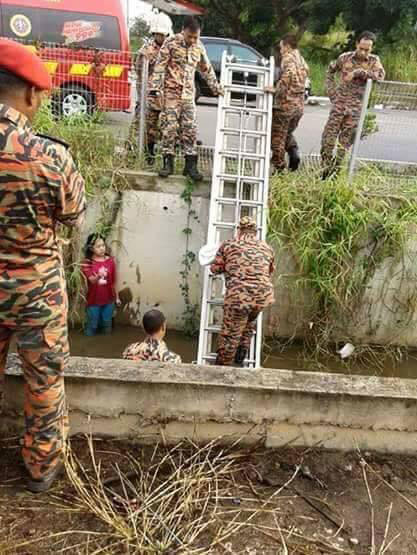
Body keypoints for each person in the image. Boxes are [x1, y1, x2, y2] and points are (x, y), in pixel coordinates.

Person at [0, 39, 86, 492]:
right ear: (31, 93)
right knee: (44, 382)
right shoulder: (51, 157)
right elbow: (73, 214)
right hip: (38, 293)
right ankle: (41, 469)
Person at [150, 16, 223, 181]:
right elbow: (160, 66)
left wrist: (216, 88)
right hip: (171, 95)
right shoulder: (170, 43)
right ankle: (167, 163)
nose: (192, 40)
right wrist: (156, 90)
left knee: (190, 130)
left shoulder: (198, 47)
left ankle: (190, 166)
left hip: (188, 96)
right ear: (183, 31)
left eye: (196, 37)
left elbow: (206, 69)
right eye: (190, 36)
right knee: (169, 129)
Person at [210, 217, 275, 367]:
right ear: (255, 232)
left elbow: (215, 268)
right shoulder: (267, 248)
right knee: (248, 325)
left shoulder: (229, 244)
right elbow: (269, 271)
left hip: (239, 297)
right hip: (262, 297)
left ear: (239, 230)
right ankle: (240, 359)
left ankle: (221, 370)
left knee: (230, 335)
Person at [320, 31, 385, 178]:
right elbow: (330, 71)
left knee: (343, 146)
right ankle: (325, 171)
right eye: (361, 48)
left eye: (367, 49)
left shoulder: (374, 61)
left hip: (355, 110)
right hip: (339, 106)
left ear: (372, 48)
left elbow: (380, 76)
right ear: (356, 44)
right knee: (327, 140)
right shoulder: (345, 58)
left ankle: (335, 175)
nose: (363, 52)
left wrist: (358, 72)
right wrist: (331, 92)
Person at [128, 12, 173, 163]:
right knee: (144, 125)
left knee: (167, 127)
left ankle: (164, 155)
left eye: (163, 34)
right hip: (149, 95)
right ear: (154, 34)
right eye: (158, 34)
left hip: (167, 95)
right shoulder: (146, 50)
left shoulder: (171, 48)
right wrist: (144, 93)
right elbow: (140, 71)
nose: (161, 37)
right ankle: (139, 154)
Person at [265, 34, 309, 172]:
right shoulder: (301, 59)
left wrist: (276, 89)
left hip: (285, 105)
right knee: (287, 133)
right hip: (298, 106)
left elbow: (289, 74)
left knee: (277, 137)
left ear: (287, 46)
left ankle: (279, 168)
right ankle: (294, 152)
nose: (281, 51)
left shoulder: (288, 58)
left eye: (281, 47)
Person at [81, 234, 120, 336]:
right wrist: (99, 275)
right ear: (91, 248)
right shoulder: (87, 262)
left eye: (103, 245)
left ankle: (106, 342)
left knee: (107, 325)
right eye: (98, 246)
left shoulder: (110, 261)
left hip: (109, 300)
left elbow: (114, 281)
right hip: (93, 300)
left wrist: (117, 298)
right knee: (92, 326)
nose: (102, 248)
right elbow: (92, 280)